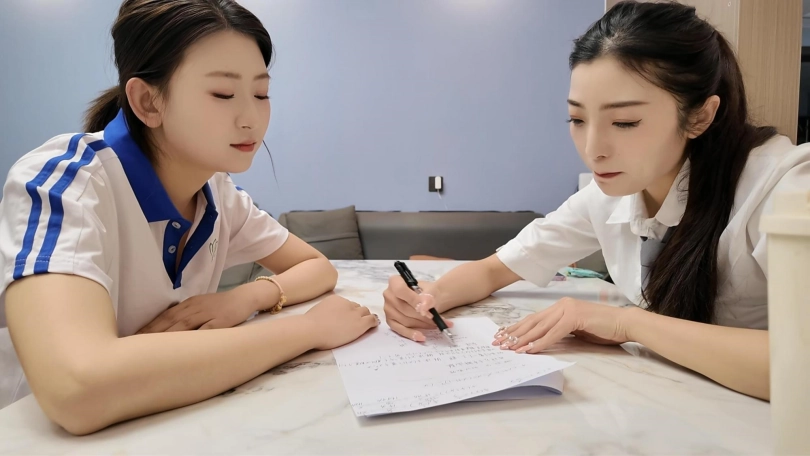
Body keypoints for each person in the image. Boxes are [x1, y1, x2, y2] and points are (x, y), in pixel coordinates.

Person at [383, 0, 810, 401]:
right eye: (577, 118)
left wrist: (627, 322)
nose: (593, 150)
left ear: (699, 115)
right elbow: (495, 269)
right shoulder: (609, 195)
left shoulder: (785, 187)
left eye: (624, 122)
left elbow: (801, 366)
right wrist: (428, 298)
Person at [0, 0, 379, 435]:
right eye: (223, 94)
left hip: (160, 426)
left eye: (261, 94)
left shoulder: (217, 192)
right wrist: (306, 330)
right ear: (148, 102)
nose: (251, 119)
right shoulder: (64, 184)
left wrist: (245, 298)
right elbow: (77, 387)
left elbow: (316, 266)